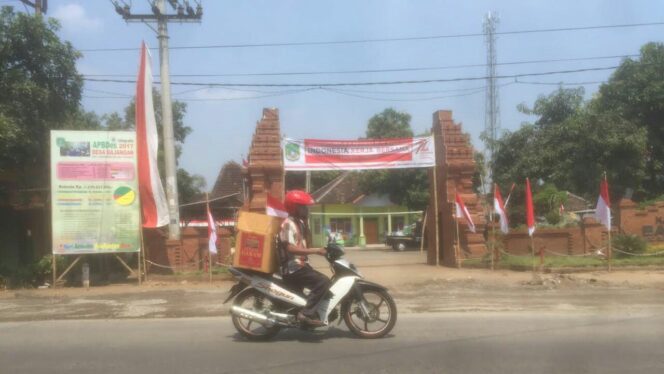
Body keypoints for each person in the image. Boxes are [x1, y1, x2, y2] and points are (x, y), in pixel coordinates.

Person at [279, 190, 330, 327]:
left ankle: (305, 315)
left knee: (314, 290)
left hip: (301, 266)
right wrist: (316, 251)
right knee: (323, 282)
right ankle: (306, 314)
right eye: (303, 207)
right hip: (293, 268)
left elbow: (306, 242)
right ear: (294, 207)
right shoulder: (288, 223)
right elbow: (290, 248)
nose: (306, 210)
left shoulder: (299, 223)